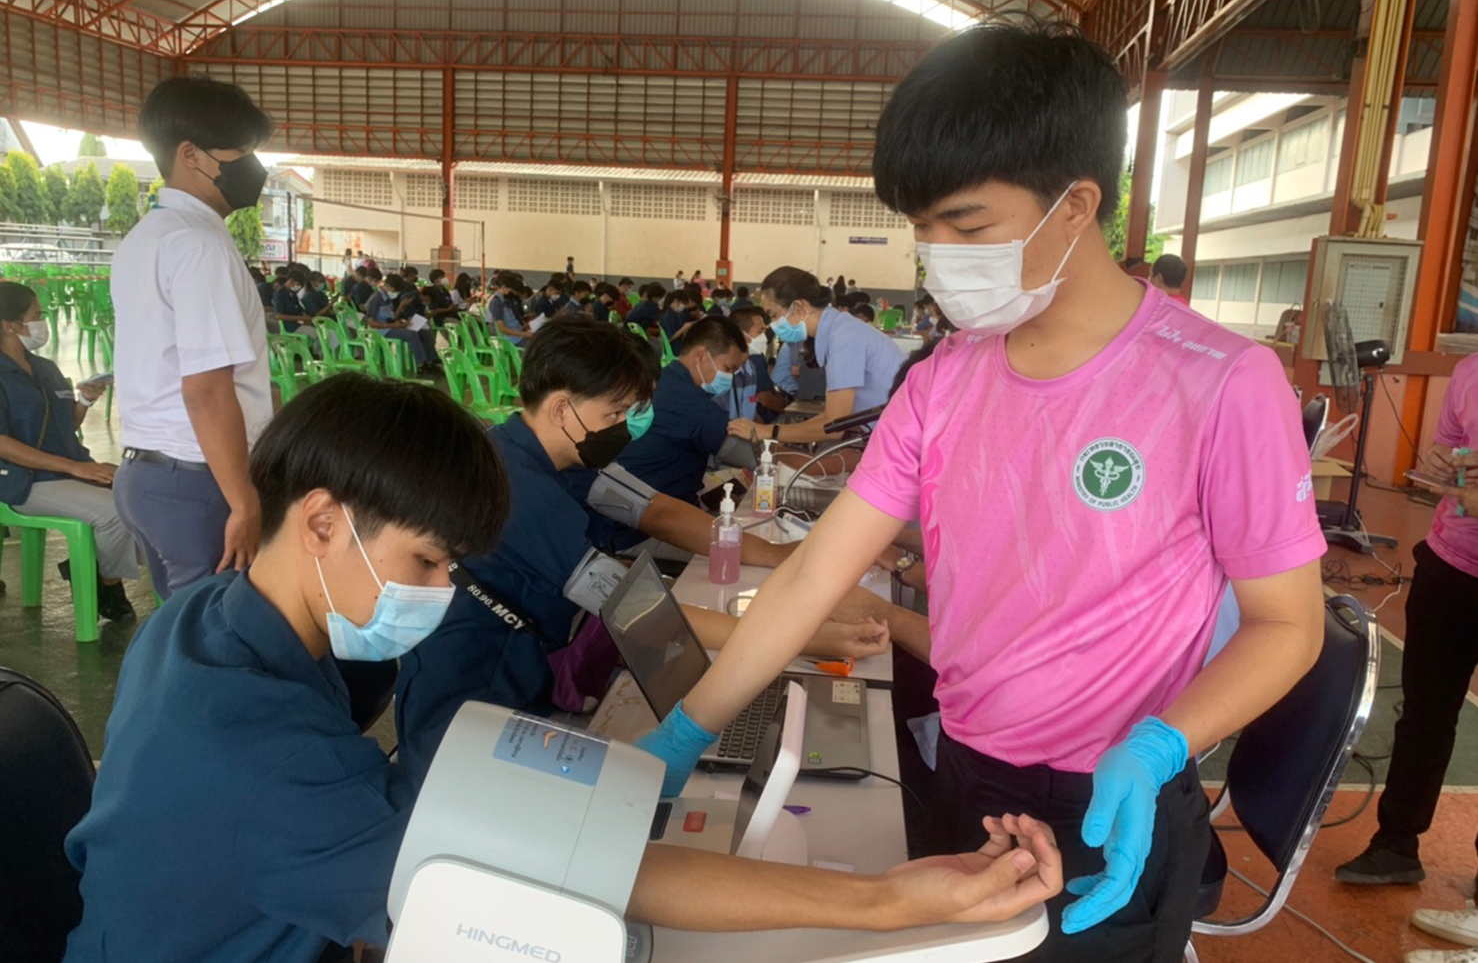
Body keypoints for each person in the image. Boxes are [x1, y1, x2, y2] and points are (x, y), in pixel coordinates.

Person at [636, 21, 1327, 963]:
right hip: (967, 770)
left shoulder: (1219, 382)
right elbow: (809, 579)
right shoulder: (943, 382)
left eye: (966, 227)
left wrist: (1165, 743)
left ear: (1076, 206)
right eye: (923, 231)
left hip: (1114, 793)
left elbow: (1290, 624)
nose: (939, 258)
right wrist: (687, 728)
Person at [66, 382, 1063, 963]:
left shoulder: (215, 618)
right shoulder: (250, 745)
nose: (443, 588)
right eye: (425, 564)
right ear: (323, 520)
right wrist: (885, 902)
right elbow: (557, 878)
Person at [395, 317, 891, 780]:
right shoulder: (520, 491)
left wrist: (789, 564)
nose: (622, 426)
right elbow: (636, 610)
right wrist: (804, 637)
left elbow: (658, 512)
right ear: (562, 408)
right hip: (469, 696)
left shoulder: (553, 459)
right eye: (613, 412)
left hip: (516, 670)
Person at [111, 75, 274, 601]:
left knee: (184, 631)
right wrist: (244, 502)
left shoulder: (145, 238)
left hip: (147, 475)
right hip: (199, 481)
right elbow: (205, 388)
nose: (252, 166)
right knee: (216, 641)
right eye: (240, 151)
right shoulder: (200, 246)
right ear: (192, 155)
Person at [1336, 355, 1478, 908]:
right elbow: (1451, 452)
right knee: (1424, 714)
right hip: (1450, 565)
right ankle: (1396, 844)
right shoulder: (1469, 371)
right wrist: (1446, 467)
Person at [0, 283, 139, 621]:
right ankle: (108, 584)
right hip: (23, 479)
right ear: (10, 325)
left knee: (143, 495)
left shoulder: (45, 368)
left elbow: (65, 425)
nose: (41, 323)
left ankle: (93, 570)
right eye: (36, 316)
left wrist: (85, 401)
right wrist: (74, 468)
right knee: (113, 512)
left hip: (63, 468)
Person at [729, 267, 904, 445]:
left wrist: (767, 431)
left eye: (774, 315)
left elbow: (834, 425)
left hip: (899, 435)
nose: (773, 325)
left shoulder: (845, 337)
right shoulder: (837, 331)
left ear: (798, 307)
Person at [614, 316, 750, 505]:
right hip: (650, 513)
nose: (729, 378)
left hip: (634, 496)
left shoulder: (666, 378)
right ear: (701, 355)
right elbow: (754, 454)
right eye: (728, 368)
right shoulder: (691, 404)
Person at [714, 305, 787, 425]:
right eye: (760, 331)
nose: (764, 335)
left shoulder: (751, 366)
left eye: (765, 330)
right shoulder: (724, 371)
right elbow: (763, 398)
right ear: (741, 335)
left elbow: (751, 401)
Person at [363, 274, 435, 372]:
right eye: (394, 290)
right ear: (387, 286)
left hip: (392, 326)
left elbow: (393, 317)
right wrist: (392, 325)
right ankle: (421, 364)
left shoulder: (388, 298)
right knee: (411, 334)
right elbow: (371, 323)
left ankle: (431, 361)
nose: (395, 293)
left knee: (423, 331)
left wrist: (401, 308)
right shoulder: (375, 299)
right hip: (382, 330)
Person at [487, 275, 528, 344]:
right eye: (510, 289)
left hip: (516, 334)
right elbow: (501, 328)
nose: (510, 291)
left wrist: (523, 328)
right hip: (511, 339)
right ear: (503, 287)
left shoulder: (505, 300)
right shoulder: (496, 302)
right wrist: (523, 334)